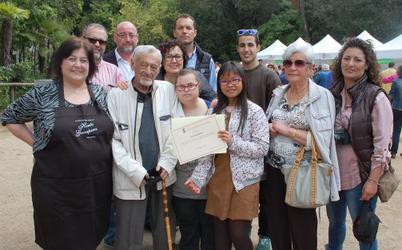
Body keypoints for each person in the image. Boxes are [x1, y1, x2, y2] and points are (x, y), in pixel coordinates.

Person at [1, 37, 114, 250]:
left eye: (83, 60)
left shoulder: (100, 94)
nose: (78, 65)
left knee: (90, 236)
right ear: (60, 62)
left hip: (95, 185)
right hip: (56, 188)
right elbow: (10, 117)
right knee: (58, 239)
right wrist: (37, 143)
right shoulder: (44, 94)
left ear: (90, 66)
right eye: (72, 59)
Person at [185, 61, 270, 250]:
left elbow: (262, 148)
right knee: (220, 233)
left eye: (235, 79)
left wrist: (233, 141)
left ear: (243, 82)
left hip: (245, 181)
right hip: (219, 178)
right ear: (219, 84)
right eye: (224, 80)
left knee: (238, 233)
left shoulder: (255, 111)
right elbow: (207, 152)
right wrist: (198, 178)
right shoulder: (215, 111)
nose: (230, 84)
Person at [264, 41, 340, 250]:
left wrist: (288, 131)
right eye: (288, 62)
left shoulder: (322, 96)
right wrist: (270, 129)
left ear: (310, 68)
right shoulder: (279, 93)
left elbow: (323, 142)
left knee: (303, 229)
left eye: (299, 63)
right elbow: (270, 123)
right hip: (274, 171)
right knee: (277, 228)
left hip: (304, 172)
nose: (292, 67)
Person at [107, 45, 181, 250]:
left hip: (164, 175)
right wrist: (136, 171)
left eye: (154, 66)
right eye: (144, 65)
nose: (149, 70)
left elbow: (177, 130)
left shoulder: (168, 90)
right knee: (128, 236)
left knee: (164, 234)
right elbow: (113, 140)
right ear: (132, 64)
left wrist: (167, 162)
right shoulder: (115, 96)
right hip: (130, 177)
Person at [326, 37, 392, 250]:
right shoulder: (333, 93)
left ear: (367, 64)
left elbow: (383, 146)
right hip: (333, 175)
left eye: (357, 60)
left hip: (360, 176)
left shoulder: (376, 97)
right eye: (346, 58)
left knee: (364, 231)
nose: (351, 64)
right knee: (335, 225)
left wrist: (373, 181)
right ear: (340, 61)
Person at [236, 28, 280, 250]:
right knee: (243, 192)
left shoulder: (269, 76)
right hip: (238, 147)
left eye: (250, 44)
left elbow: (278, 111)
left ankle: (265, 235)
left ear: (258, 47)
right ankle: (244, 231)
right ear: (237, 48)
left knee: (266, 196)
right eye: (242, 45)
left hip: (266, 147)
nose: (246, 49)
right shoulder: (235, 73)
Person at [172, 68, 215, 250]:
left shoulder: (212, 109)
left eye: (190, 85)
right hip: (182, 185)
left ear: (198, 86)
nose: (186, 90)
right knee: (188, 231)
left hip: (209, 184)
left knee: (209, 232)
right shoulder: (171, 112)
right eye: (181, 87)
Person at [173, 14, 217, 91]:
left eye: (188, 28)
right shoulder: (166, 59)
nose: (184, 31)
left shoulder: (207, 60)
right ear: (174, 33)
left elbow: (213, 93)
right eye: (180, 28)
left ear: (195, 33)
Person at [82, 23, 127, 93]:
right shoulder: (73, 67)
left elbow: (123, 96)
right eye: (92, 40)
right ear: (82, 39)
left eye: (101, 42)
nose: (97, 44)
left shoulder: (115, 72)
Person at [390, 65, 402, 158]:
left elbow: (391, 96)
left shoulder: (395, 82)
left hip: (396, 108)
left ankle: (394, 152)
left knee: (396, 131)